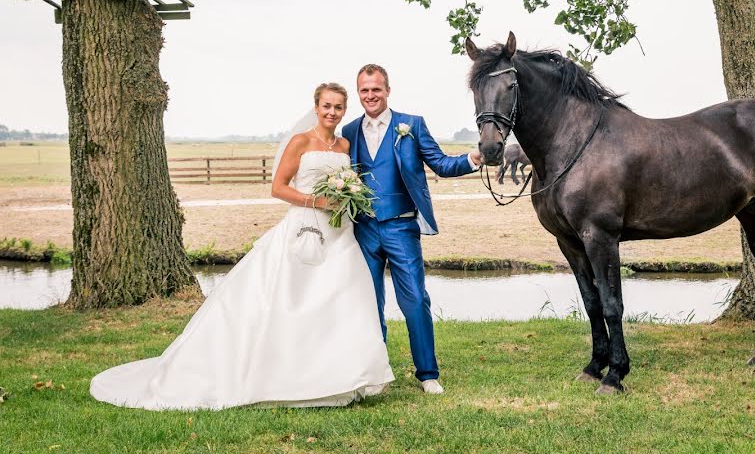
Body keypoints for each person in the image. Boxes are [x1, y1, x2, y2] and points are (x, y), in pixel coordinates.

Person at [89, 83, 393, 410]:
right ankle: (284, 375)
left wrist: (349, 197)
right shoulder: (300, 142)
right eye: (326, 106)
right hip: (303, 227)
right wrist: (316, 200)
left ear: (343, 111)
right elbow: (278, 188)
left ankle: (343, 377)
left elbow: (350, 183)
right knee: (288, 300)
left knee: (340, 299)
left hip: (339, 234)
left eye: (337, 107)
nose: (332, 113)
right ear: (316, 107)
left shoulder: (345, 145)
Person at [342, 64, 481, 395]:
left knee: (416, 299)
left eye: (376, 89)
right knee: (368, 302)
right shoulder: (348, 132)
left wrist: (474, 158)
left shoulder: (412, 126)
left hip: (402, 227)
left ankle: (428, 373)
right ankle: (374, 373)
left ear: (388, 90)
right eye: (364, 90)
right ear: (358, 93)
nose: (370, 95)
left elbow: (442, 164)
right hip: (363, 229)